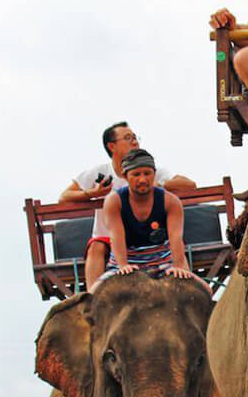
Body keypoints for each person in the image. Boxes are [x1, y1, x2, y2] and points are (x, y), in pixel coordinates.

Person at [58, 122, 197, 289]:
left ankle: (187, 284)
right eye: (128, 138)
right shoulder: (99, 173)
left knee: (176, 244)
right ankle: (91, 300)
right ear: (112, 146)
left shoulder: (149, 169)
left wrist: (156, 185)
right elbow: (64, 197)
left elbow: (189, 184)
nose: (135, 142)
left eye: (135, 137)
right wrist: (92, 193)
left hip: (152, 237)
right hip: (109, 236)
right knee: (96, 247)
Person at [94, 148, 204, 289]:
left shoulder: (171, 201)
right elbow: (116, 236)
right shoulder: (114, 201)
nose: (142, 179)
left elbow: (176, 238)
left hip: (163, 261)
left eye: (147, 173)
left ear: (154, 174)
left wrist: (178, 266)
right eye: (136, 174)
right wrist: (123, 266)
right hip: (124, 264)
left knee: (204, 290)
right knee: (93, 294)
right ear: (125, 176)